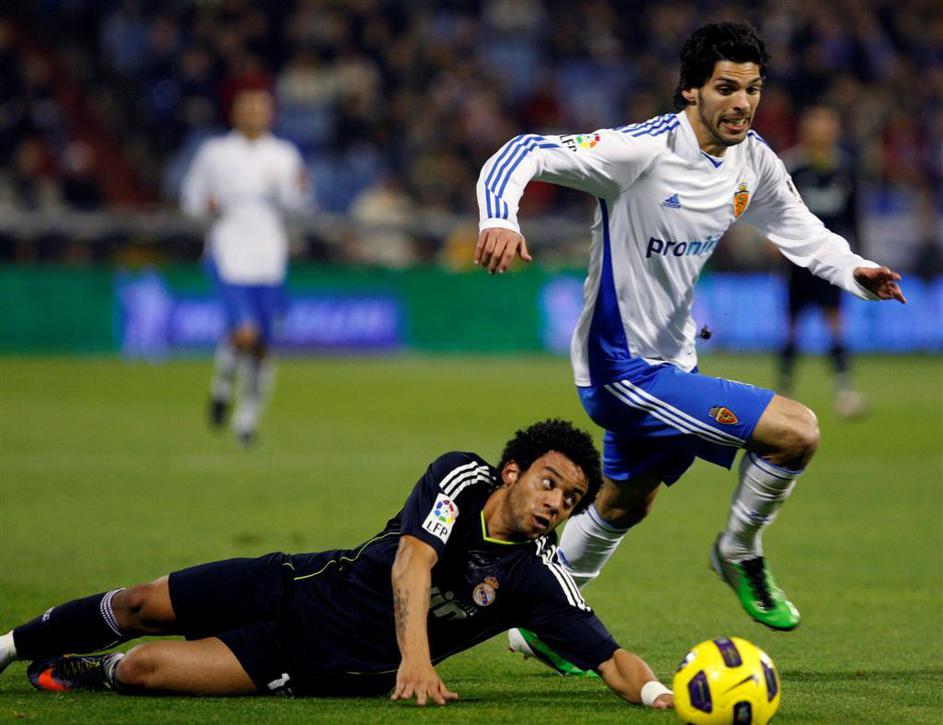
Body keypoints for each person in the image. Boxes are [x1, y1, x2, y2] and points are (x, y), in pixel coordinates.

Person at [474, 21, 906, 653]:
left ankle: (539, 628)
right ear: (691, 91)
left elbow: (800, 229)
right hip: (620, 368)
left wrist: (853, 270)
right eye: (727, 88)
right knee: (797, 432)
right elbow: (523, 151)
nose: (742, 103)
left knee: (625, 503)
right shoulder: (641, 152)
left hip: (674, 358)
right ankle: (738, 550)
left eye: (752, 89)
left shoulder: (753, 159)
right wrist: (500, 218)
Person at [0, 420, 673, 710]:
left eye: (571, 499)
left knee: (144, 667)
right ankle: (7, 646)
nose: (556, 504)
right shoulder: (460, 478)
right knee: (139, 603)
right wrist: (417, 660)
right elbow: (412, 561)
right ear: (512, 472)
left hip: (305, 657)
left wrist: (666, 696)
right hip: (294, 582)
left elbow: (613, 660)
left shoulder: (537, 576)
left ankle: (95, 669)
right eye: (550, 484)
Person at [181, 87, 310, 446]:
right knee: (245, 334)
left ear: (271, 114)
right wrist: (204, 205)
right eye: (248, 107)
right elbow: (190, 196)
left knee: (262, 346)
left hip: (269, 260)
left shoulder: (284, 155)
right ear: (235, 112)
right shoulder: (215, 153)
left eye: (261, 108)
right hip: (229, 255)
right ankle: (224, 386)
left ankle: (246, 419)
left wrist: (298, 192)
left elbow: (300, 206)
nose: (254, 113)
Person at [778, 106, 865, 418]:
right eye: (816, 124)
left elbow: (854, 217)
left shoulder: (845, 168)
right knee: (791, 326)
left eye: (827, 125)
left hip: (832, 260)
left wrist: (860, 257)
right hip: (798, 260)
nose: (822, 131)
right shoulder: (791, 166)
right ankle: (784, 390)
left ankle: (844, 389)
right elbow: (777, 209)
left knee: (835, 323)